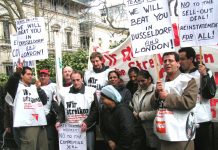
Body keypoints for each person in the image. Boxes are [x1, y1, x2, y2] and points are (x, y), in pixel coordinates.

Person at [150, 52, 198, 150]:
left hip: (181, 133)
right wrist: (156, 94)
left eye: (171, 60)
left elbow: (189, 102)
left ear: (178, 63)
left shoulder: (187, 80)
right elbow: (153, 105)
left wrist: (167, 97)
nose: (167, 63)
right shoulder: (160, 81)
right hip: (164, 132)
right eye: (165, 61)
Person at [178, 47, 216, 150]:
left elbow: (210, 94)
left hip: (201, 120)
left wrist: (204, 75)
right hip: (183, 120)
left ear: (191, 59)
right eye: (178, 59)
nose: (180, 62)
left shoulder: (204, 71)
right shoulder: (178, 75)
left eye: (182, 59)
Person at [4, 63, 48, 150]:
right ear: (21, 75)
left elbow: (44, 101)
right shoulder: (17, 87)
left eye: (31, 74)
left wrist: (39, 89)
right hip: (27, 125)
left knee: (43, 147)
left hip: (40, 123)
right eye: (28, 74)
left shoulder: (34, 87)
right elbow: (9, 86)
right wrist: (16, 73)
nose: (30, 76)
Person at [84, 85, 138, 150]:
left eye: (103, 99)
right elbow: (103, 128)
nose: (102, 101)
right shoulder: (105, 110)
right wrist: (109, 140)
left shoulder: (123, 111)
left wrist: (118, 148)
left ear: (110, 98)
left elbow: (128, 132)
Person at [55, 70, 96, 150]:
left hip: (87, 128)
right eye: (73, 80)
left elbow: (95, 110)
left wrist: (87, 122)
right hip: (70, 130)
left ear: (82, 79)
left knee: (89, 148)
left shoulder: (91, 91)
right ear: (71, 80)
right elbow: (62, 111)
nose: (76, 82)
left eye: (78, 80)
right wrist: (59, 121)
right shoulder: (64, 92)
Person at [131, 70, 160, 150]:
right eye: (138, 81)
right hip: (140, 133)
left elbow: (160, 112)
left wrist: (141, 115)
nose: (140, 83)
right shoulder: (137, 92)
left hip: (153, 130)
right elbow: (133, 106)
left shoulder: (156, 91)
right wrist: (134, 113)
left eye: (143, 81)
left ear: (149, 79)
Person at [39, 69, 59, 150]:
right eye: (41, 75)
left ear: (48, 77)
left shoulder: (54, 86)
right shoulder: (35, 86)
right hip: (37, 118)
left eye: (45, 75)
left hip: (49, 117)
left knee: (50, 138)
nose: (43, 77)